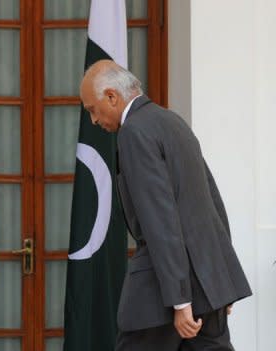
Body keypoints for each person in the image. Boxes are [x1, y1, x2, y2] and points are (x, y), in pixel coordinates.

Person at [79, 59, 252, 351]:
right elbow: (212, 201)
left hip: (163, 297)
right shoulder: (173, 122)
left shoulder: (133, 132)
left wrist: (180, 300)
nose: (94, 120)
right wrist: (220, 284)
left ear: (112, 96)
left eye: (92, 110)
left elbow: (160, 220)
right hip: (208, 286)